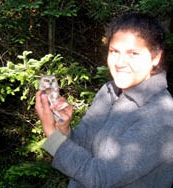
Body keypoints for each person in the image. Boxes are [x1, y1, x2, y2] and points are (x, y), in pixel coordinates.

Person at [35, 13, 173, 188]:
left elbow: (98, 178)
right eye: (114, 51)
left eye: (133, 53)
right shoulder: (108, 92)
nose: (120, 62)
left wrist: (51, 134)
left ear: (156, 57)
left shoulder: (161, 116)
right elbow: (80, 149)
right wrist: (62, 129)